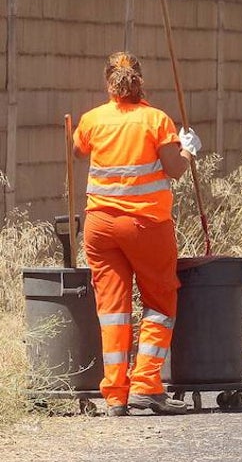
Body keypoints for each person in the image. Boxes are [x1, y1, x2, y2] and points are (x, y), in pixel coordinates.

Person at [73, 52, 203, 416]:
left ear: (108, 82)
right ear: (140, 81)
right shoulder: (155, 120)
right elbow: (175, 170)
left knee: (112, 310)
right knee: (160, 301)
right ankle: (146, 385)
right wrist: (188, 149)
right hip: (146, 225)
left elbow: (78, 150)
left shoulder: (92, 119)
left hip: (99, 227)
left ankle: (115, 394)